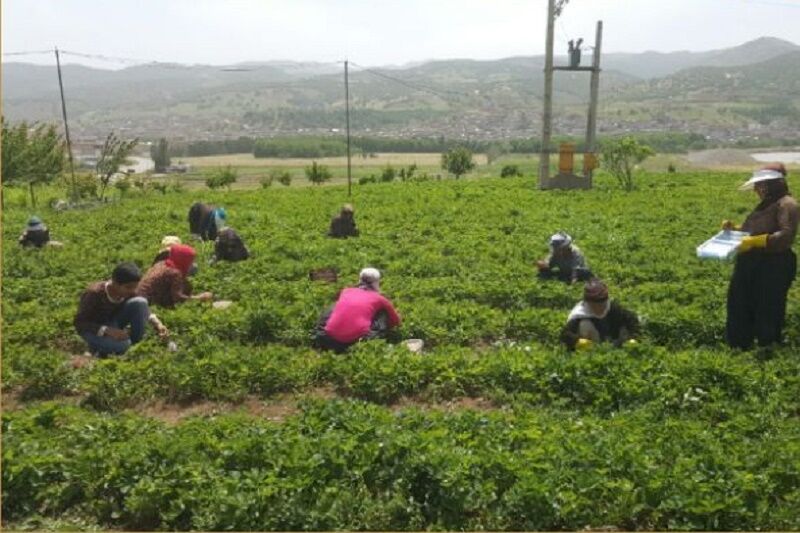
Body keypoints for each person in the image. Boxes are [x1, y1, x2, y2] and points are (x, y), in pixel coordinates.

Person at [722, 163, 798, 349]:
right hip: (751, 262)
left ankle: (767, 348)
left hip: (774, 264)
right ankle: (739, 347)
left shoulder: (787, 204)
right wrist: (736, 229)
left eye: (759, 185)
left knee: (768, 306)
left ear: (770, 184)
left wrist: (755, 242)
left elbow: (785, 236)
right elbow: (755, 229)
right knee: (740, 302)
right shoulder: (767, 204)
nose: (756, 189)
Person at [74, 262, 168, 356]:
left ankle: (136, 343)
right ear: (115, 283)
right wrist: (108, 331)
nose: (132, 290)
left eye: (135, 287)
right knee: (123, 345)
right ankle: (94, 347)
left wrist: (158, 323)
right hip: (92, 329)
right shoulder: (94, 294)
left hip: (113, 322)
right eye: (128, 287)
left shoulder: (129, 292)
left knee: (141, 302)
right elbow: (80, 323)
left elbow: (143, 308)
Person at [314, 267, 401, 352]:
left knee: (336, 305)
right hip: (355, 344)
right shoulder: (380, 299)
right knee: (383, 313)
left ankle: (319, 338)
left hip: (327, 340)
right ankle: (368, 345)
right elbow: (395, 321)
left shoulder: (346, 291)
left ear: (360, 279)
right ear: (377, 282)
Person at [560, 279, 639, 351]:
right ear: (588, 303)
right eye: (594, 306)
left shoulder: (612, 307)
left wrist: (633, 338)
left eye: (602, 305)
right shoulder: (579, 313)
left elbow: (632, 320)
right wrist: (577, 341)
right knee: (584, 324)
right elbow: (565, 334)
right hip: (594, 346)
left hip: (614, 340)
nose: (599, 309)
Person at [137, 244, 213, 308]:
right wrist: (199, 298)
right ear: (184, 260)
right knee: (186, 289)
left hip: (139, 295)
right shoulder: (175, 273)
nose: (192, 264)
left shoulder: (161, 263)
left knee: (187, 286)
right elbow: (178, 298)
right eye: (190, 261)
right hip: (148, 302)